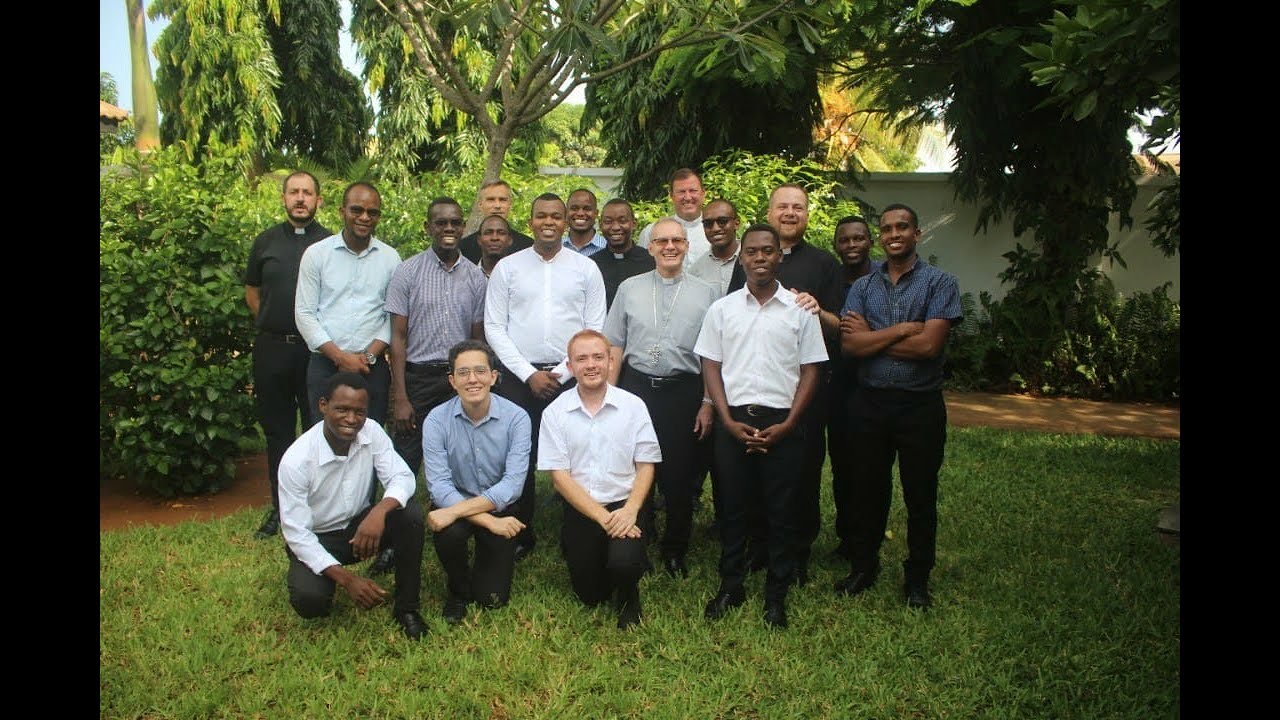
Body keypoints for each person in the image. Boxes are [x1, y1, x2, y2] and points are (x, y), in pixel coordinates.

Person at [694, 224, 827, 629]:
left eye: (767, 251)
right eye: (751, 252)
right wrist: (726, 419)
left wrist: (789, 423)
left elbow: (811, 371)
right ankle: (731, 585)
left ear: (778, 256)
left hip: (782, 424)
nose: (760, 258)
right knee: (732, 509)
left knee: (781, 511)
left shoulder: (800, 312)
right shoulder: (722, 310)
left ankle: (776, 595)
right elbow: (711, 366)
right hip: (734, 421)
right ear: (743, 257)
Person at [836, 203, 962, 611]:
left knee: (920, 495)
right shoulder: (863, 286)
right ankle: (863, 567)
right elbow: (851, 345)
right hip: (868, 404)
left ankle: (917, 578)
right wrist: (905, 329)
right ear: (880, 235)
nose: (894, 233)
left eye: (902, 227)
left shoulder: (939, 283)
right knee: (867, 493)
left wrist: (876, 335)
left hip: (919, 407)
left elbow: (929, 347)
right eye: (887, 227)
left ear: (916, 233)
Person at [726, 183, 845, 585]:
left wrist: (818, 309)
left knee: (802, 472)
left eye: (798, 207)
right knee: (756, 471)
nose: (790, 213)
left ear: (807, 215)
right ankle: (760, 547)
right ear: (770, 212)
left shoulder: (824, 263)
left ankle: (797, 553)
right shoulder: (747, 263)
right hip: (755, 388)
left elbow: (840, 324)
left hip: (805, 389)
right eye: (783, 207)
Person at [483, 192, 608, 560]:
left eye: (556, 216)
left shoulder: (586, 269)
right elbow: (494, 326)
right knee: (516, 454)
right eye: (541, 216)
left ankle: (579, 529)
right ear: (531, 221)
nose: (549, 222)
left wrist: (561, 372)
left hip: (570, 376)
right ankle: (521, 530)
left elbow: (594, 325)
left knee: (577, 453)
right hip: (518, 376)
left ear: (566, 221)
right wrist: (527, 375)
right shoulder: (508, 267)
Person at [604, 218, 718, 578]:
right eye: (661, 241)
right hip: (636, 388)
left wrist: (708, 402)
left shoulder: (707, 292)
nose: (669, 247)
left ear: (686, 246)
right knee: (635, 468)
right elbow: (615, 345)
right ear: (650, 247)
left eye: (677, 241)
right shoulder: (629, 287)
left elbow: (714, 355)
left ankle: (675, 549)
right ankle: (640, 538)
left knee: (679, 475)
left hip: (683, 391)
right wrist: (610, 396)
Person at [277, 372, 428, 640]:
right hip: (319, 539)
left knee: (410, 515)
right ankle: (326, 577)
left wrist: (379, 512)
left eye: (359, 411)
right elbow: (297, 534)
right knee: (311, 602)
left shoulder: (371, 431)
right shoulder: (296, 460)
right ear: (323, 405)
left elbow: (402, 476)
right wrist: (348, 580)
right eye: (342, 409)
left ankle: (407, 609)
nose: (351, 419)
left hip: (362, 529)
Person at [538, 330, 661, 629]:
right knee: (590, 595)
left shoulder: (633, 406)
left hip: (625, 503)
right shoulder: (555, 413)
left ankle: (630, 590)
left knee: (623, 563)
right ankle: (612, 556)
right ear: (570, 366)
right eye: (582, 359)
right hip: (584, 507)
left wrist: (631, 511)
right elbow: (560, 478)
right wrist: (605, 521)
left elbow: (646, 465)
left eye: (598, 357)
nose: (590, 365)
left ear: (610, 362)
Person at [243, 171, 332, 540]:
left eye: (307, 193)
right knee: (278, 431)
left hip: (317, 352)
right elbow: (252, 290)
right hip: (273, 349)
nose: (300, 199)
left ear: (318, 201)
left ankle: (318, 507)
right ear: (283, 198)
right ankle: (281, 509)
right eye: (294, 192)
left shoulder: (331, 243)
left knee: (317, 428)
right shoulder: (265, 242)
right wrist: (271, 321)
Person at [423, 340, 531, 624]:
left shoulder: (517, 418)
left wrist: (478, 515)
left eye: (481, 371)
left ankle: (486, 561)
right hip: (456, 499)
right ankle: (457, 590)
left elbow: (512, 485)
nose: (473, 379)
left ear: (494, 377)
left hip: (499, 504)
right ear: (452, 380)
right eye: (463, 373)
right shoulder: (436, 420)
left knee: (492, 599)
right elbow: (440, 485)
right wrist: (489, 522)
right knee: (448, 535)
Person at [385, 196, 487, 477]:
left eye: (455, 223)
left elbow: (476, 340)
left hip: (459, 380)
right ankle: (400, 516)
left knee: (461, 456)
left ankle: (453, 513)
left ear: (464, 226)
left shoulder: (476, 278)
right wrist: (401, 398)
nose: (449, 228)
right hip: (418, 379)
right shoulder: (407, 272)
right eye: (441, 223)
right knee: (406, 456)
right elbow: (398, 337)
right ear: (427, 227)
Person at [295, 181, 401, 427]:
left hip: (371, 368)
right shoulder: (317, 254)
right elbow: (305, 313)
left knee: (370, 438)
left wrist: (367, 356)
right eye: (357, 210)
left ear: (379, 217)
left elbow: (392, 315)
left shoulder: (390, 258)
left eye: (372, 212)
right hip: (325, 363)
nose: (364, 217)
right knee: (323, 437)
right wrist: (339, 357)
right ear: (342, 211)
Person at [828, 216, 875, 561]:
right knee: (842, 465)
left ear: (870, 242)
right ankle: (847, 538)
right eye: (845, 240)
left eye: (858, 239)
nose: (852, 245)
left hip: (874, 384)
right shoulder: (832, 279)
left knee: (868, 467)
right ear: (836, 245)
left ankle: (866, 540)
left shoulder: (883, 280)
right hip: (837, 385)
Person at [635, 168, 710, 267]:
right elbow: (642, 269)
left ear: (703, 194)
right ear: (671, 196)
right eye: (681, 192)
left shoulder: (716, 232)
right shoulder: (651, 232)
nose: (687, 197)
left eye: (693, 191)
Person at [592, 198, 655, 309]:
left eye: (622, 221)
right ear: (600, 225)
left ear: (634, 224)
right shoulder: (591, 264)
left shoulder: (652, 261)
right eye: (608, 221)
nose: (616, 227)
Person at [459, 179, 534, 264]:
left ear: (510, 204)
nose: (497, 205)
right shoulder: (464, 248)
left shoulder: (527, 246)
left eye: (502, 200)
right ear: (480, 205)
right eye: (491, 200)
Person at [687, 198, 745, 297]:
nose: (715, 228)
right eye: (708, 224)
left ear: (736, 223)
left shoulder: (753, 260)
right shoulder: (696, 271)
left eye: (722, 221)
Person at [562, 188, 607, 256]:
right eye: (574, 208)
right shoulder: (556, 249)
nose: (580, 213)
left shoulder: (607, 248)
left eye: (587, 209)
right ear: (566, 212)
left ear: (596, 214)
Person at [475, 214, 514, 279]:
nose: (494, 238)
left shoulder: (521, 276)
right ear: (479, 240)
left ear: (510, 240)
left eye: (501, 233)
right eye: (488, 232)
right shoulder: (467, 274)